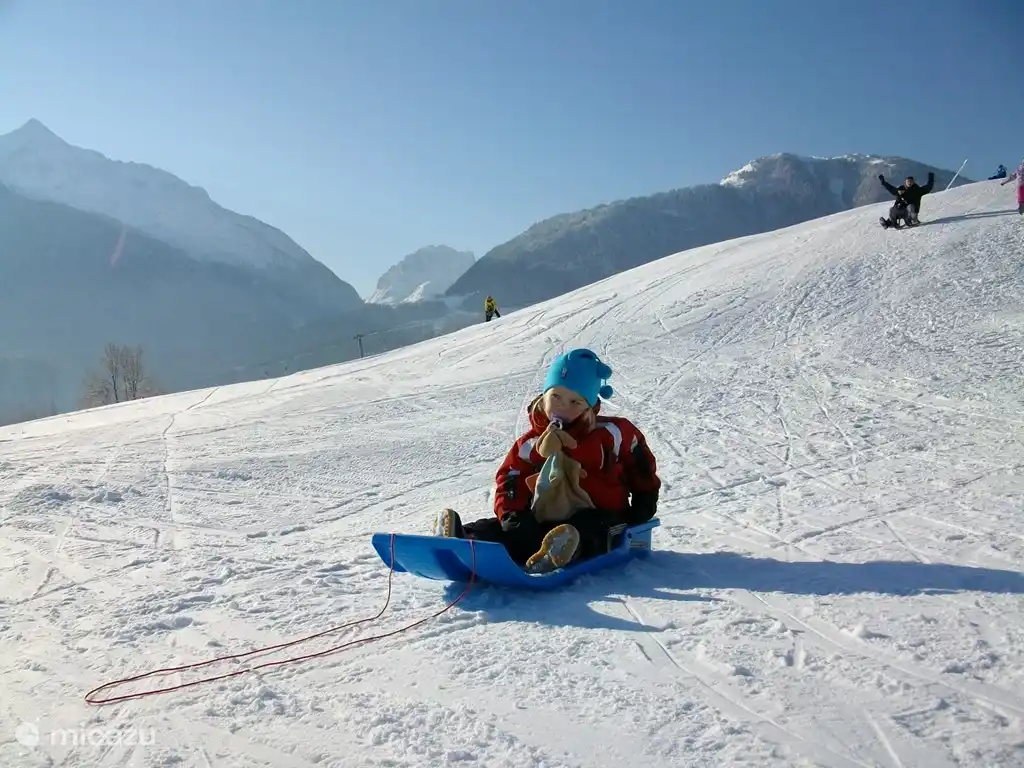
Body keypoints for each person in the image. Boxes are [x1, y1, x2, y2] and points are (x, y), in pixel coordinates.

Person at [431, 348, 661, 574]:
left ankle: (566, 548)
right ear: (544, 397)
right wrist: (513, 513)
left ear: (590, 406)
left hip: (600, 513)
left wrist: (645, 498)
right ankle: (462, 539)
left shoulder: (612, 433)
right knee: (513, 532)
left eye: (575, 402)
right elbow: (511, 477)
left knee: (597, 530)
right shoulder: (531, 443)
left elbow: (639, 463)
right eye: (556, 397)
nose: (563, 406)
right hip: (544, 516)